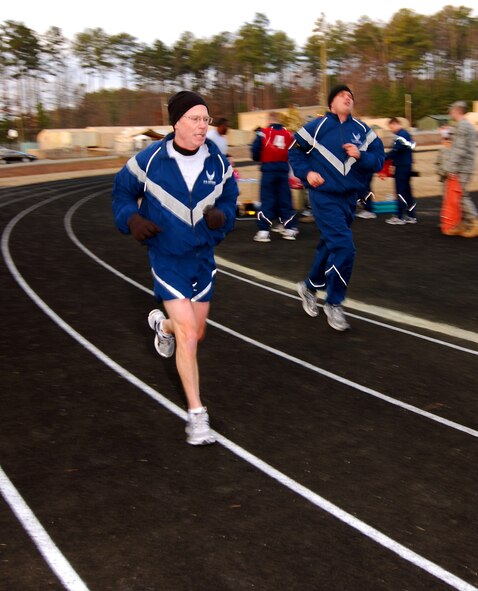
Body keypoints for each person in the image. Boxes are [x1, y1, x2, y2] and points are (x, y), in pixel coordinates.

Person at [112, 91, 239, 445]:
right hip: (167, 258)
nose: (203, 126)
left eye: (206, 120)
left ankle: (161, 325)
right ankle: (197, 415)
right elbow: (121, 193)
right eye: (196, 119)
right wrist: (132, 219)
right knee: (188, 338)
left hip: (203, 258)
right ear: (177, 122)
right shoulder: (149, 160)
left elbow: (229, 199)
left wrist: (223, 216)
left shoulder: (217, 160)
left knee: (195, 333)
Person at [289, 84, 385, 331]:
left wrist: (361, 156)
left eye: (351, 96)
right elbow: (294, 152)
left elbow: (379, 160)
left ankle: (309, 287)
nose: (348, 98)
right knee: (344, 248)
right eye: (343, 95)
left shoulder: (363, 130)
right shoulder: (316, 126)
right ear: (332, 103)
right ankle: (334, 302)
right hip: (323, 196)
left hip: (349, 199)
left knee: (330, 245)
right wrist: (307, 173)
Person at [251, 112, 299, 242]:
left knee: (267, 200)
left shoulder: (263, 132)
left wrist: (259, 157)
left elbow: (255, 151)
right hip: (283, 170)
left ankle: (264, 231)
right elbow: (294, 151)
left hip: (268, 171)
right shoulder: (289, 134)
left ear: (269, 120)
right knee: (285, 200)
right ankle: (289, 228)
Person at [443, 100, 478, 238]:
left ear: (457, 111)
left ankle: (474, 222)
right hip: (464, 166)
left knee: (461, 195)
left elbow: (459, 150)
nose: (450, 113)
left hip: (462, 167)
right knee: (459, 196)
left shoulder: (462, 126)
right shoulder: (465, 125)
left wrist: (451, 168)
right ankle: (462, 223)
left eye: (451, 110)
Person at [384, 117, 417, 225]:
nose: (391, 129)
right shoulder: (405, 134)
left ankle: (400, 216)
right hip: (406, 165)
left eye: (391, 127)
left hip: (402, 166)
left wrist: (384, 157)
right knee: (407, 191)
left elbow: (396, 151)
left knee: (401, 191)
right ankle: (411, 216)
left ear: (395, 124)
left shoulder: (401, 135)